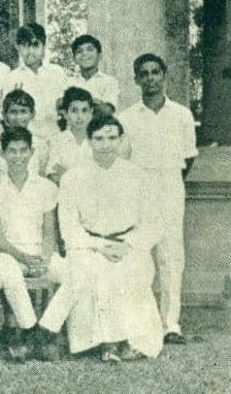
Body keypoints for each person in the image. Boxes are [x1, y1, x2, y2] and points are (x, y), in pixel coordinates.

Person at [46, 114, 164, 361]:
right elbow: (69, 228)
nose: (106, 145)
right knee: (92, 273)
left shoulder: (138, 176)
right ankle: (105, 343)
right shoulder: (73, 178)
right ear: (89, 142)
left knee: (131, 271)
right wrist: (99, 245)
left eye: (111, 138)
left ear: (121, 140)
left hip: (129, 244)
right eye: (99, 139)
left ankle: (130, 341)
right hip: (88, 245)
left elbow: (153, 223)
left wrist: (128, 245)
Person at [118, 53, 197, 345]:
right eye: (144, 73)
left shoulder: (181, 115)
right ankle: (137, 323)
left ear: (164, 75)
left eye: (155, 72)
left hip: (170, 186)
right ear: (136, 79)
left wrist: (169, 183)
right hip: (139, 189)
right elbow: (122, 161)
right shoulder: (126, 118)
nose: (150, 78)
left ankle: (170, 324)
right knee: (137, 255)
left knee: (171, 255)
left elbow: (188, 158)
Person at [0, 127, 66, 361]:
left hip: (39, 253)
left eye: (23, 150)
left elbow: (49, 231)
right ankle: (32, 332)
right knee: (10, 273)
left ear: (32, 152)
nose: (18, 156)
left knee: (76, 275)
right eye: (12, 151)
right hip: (6, 253)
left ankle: (46, 329)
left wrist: (45, 259)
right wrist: (23, 258)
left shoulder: (46, 187)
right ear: (2, 154)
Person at [5, 23, 68, 135]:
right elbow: (8, 114)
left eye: (35, 45)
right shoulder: (12, 77)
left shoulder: (57, 73)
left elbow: (66, 108)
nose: (30, 51)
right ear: (17, 47)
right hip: (24, 137)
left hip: (54, 134)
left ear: (43, 46)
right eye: (24, 45)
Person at [46, 87, 95, 184]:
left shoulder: (99, 139)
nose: (80, 116)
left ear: (91, 112)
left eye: (84, 110)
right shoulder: (56, 141)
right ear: (65, 113)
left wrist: (67, 175)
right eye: (74, 111)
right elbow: (54, 176)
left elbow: (99, 178)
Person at [0, 89, 50, 177]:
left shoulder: (40, 146)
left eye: (23, 111)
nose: (18, 117)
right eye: (13, 112)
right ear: (4, 115)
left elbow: (42, 177)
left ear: (32, 114)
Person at [67, 34, 119, 112]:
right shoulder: (68, 82)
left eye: (90, 49)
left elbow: (108, 110)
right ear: (74, 59)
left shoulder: (109, 81)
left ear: (100, 56)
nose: (84, 53)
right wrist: (94, 103)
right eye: (79, 51)